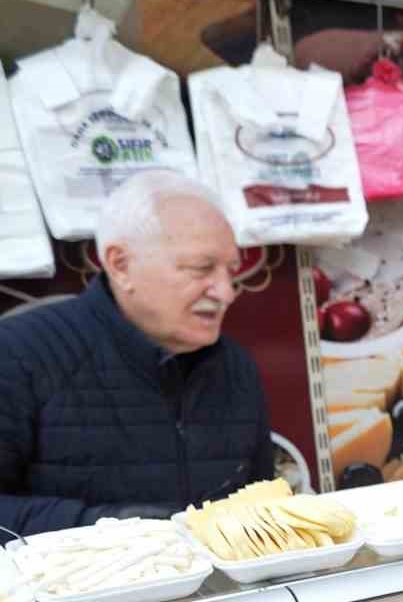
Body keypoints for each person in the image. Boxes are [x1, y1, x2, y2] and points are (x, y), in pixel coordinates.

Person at [0, 171, 273, 536]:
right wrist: (103, 529)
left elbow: (262, 502)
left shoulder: (235, 368)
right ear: (120, 264)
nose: (225, 292)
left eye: (231, 272)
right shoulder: (20, 353)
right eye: (200, 269)